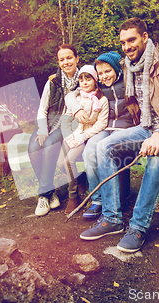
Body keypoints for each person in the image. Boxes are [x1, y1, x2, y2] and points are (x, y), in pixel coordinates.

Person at [79, 17, 159, 253]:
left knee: (157, 151)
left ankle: (138, 227)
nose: (127, 46)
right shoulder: (128, 66)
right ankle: (111, 218)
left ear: (145, 37)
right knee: (103, 146)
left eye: (131, 40)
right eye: (123, 42)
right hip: (144, 126)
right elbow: (103, 75)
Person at [66, 51, 135, 218]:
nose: (104, 76)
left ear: (117, 70)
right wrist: (76, 109)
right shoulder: (98, 88)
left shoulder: (128, 82)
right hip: (104, 129)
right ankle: (97, 199)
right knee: (90, 149)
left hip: (124, 129)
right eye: (101, 73)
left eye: (108, 71)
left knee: (110, 151)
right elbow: (71, 95)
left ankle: (119, 197)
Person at [28, 44, 80, 216]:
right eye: (62, 59)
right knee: (34, 148)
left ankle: (43, 196)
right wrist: (42, 129)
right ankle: (51, 193)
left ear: (76, 59)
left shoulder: (85, 79)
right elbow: (42, 109)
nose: (66, 62)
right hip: (48, 122)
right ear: (58, 62)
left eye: (69, 58)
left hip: (67, 124)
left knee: (50, 144)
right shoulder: (52, 82)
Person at [57, 65, 109, 214]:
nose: (84, 82)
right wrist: (69, 137)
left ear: (95, 80)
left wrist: (83, 137)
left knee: (69, 161)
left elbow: (101, 123)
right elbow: (66, 119)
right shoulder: (75, 98)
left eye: (88, 78)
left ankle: (73, 197)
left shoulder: (101, 100)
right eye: (81, 79)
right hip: (71, 134)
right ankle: (80, 178)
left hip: (86, 136)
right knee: (60, 163)